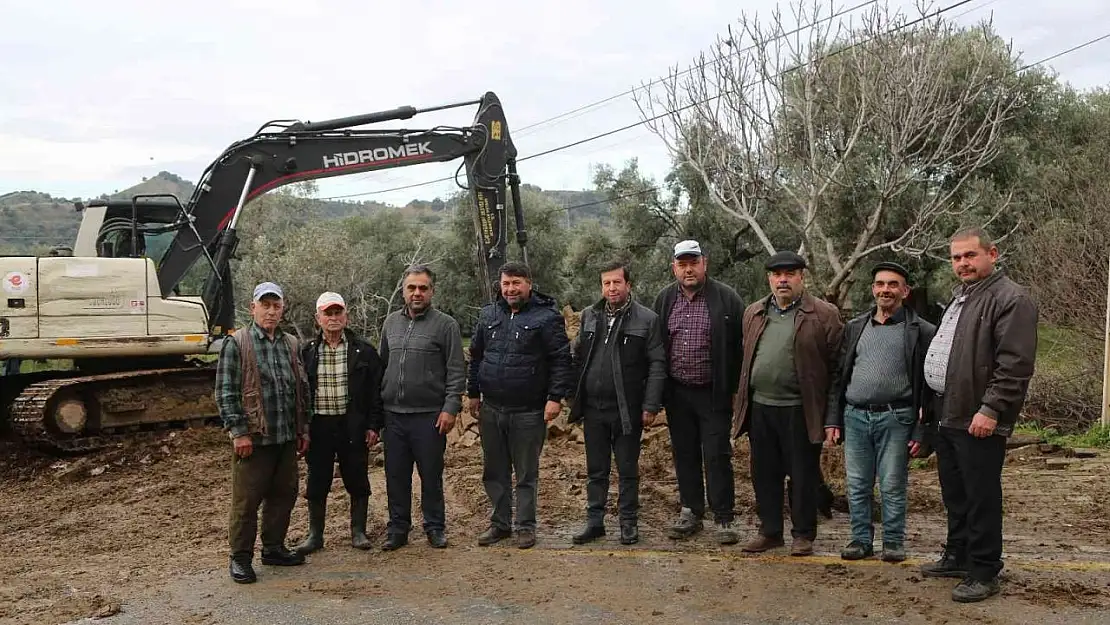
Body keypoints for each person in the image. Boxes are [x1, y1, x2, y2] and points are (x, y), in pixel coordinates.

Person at [919, 227, 1038, 603]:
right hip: (948, 412)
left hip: (978, 417)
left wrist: (991, 409)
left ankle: (984, 569)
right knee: (955, 493)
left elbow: (1015, 365)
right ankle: (958, 554)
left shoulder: (1010, 299)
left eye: (970, 256)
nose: (962, 264)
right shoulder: (962, 297)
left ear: (992, 253)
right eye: (956, 258)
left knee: (981, 495)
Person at [733, 251, 843, 557]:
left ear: (801, 277)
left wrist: (831, 415)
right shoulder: (754, 312)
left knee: (803, 473)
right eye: (777, 275)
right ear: (769, 278)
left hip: (801, 408)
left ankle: (803, 534)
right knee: (764, 472)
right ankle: (770, 531)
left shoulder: (823, 314)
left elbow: (836, 369)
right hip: (760, 407)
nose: (783, 280)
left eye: (790, 274)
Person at [826, 261, 936, 563]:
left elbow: (931, 387)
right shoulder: (854, 328)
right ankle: (860, 540)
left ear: (905, 290)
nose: (885, 289)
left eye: (892, 284)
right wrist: (833, 419)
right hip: (855, 416)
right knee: (858, 484)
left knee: (892, 484)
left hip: (897, 418)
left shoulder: (921, 331)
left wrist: (922, 430)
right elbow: (839, 376)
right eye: (880, 284)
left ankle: (893, 542)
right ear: (873, 289)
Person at [467, 261, 573, 549]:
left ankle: (525, 527)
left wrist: (555, 398)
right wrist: (473, 393)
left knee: (526, 473)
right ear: (500, 286)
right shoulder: (490, 314)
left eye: (516, 283)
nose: (511, 289)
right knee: (495, 471)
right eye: (506, 283)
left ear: (528, 283)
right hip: (492, 409)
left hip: (529, 410)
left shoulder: (547, 317)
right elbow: (476, 356)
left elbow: (561, 360)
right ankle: (500, 524)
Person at [215, 282, 311, 584]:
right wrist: (238, 432)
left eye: (276, 305)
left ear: (283, 308)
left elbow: (301, 390)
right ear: (252, 307)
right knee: (246, 502)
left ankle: (273, 549)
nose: (271, 311)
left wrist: (303, 429)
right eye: (265, 305)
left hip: (285, 438)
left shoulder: (291, 344)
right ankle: (241, 558)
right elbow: (226, 392)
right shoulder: (237, 343)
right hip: (253, 440)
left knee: (284, 495)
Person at [652, 240, 745, 544]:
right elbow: (656, 348)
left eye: (693, 262)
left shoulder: (727, 298)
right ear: (674, 267)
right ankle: (691, 510)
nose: (688, 269)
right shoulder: (665, 299)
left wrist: (736, 390)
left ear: (705, 263)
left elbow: (741, 347)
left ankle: (724, 517)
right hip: (677, 393)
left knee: (717, 454)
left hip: (714, 393)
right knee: (685, 454)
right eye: (683, 264)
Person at [568, 260, 666, 545]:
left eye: (617, 282)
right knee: (596, 469)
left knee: (627, 469)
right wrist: (572, 396)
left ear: (628, 285)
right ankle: (595, 522)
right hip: (593, 410)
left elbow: (657, 365)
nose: (611, 288)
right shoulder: (589, 315)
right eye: (606, 283)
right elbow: (575, 358)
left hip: (627, 410)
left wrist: (650, 406)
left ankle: (628, 523)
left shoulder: (647, 319)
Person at [378, 265, 466, 550]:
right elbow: (382, 366)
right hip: (393, 416)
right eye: (412, 288)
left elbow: (456, 370)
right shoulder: (390, 323)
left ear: (432, 291)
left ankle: (435, 526)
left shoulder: (446, 325)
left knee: (431, 475)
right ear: (403, 290)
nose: (417, 293)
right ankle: (398, 528)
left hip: (429, 417)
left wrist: (450, 408)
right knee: (395, 476)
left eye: (423, 288)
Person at [293, 292, 385, 556]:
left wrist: (373, 426)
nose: (333, 318)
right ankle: (315, 534)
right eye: (327, 313)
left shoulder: (364, 350)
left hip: (352, 424)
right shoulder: (307, 351)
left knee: (357, 477)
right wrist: (302, 428)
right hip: (319, 426)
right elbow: (299, 392)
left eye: (337, 313)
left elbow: (376, 392)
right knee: (317, 479)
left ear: (346, 316)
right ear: (318, 318)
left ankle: (358, 531)